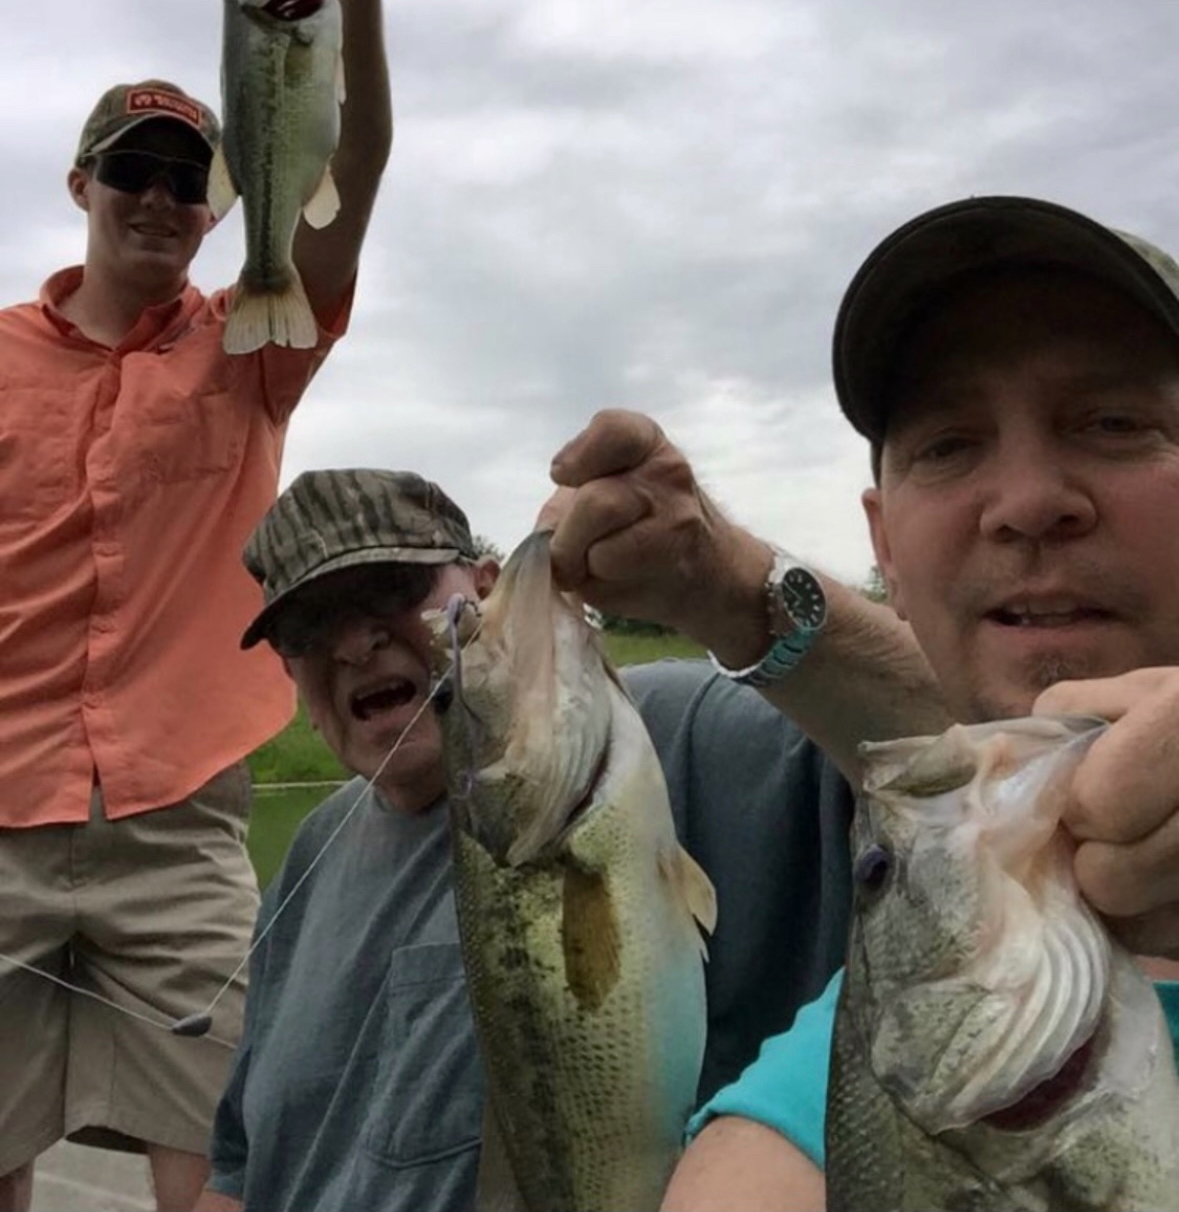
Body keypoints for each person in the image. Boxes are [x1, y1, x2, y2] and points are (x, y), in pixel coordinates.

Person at [196, 461, 947, 1212]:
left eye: (393, 589)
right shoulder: (312, 849)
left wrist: (726, 578)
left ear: (487, 587)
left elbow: (962, 748)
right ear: (287, 667)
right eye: (307, 626)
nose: (355, 644)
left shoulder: (676, 733)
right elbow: (237, 1167)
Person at [657, 194, 1179, 1211]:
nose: (1027, 503)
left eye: (1114, 423)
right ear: (885, 545)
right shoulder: (796, 1138)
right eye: (947, 444)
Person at [0, 0, 392, 1212]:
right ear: (82, 184)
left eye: (187, 180)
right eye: (134, 170)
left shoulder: (253, 341)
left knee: (225, 1170)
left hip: (177, 824)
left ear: (219, 205)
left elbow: (349, 178)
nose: (160, 197)